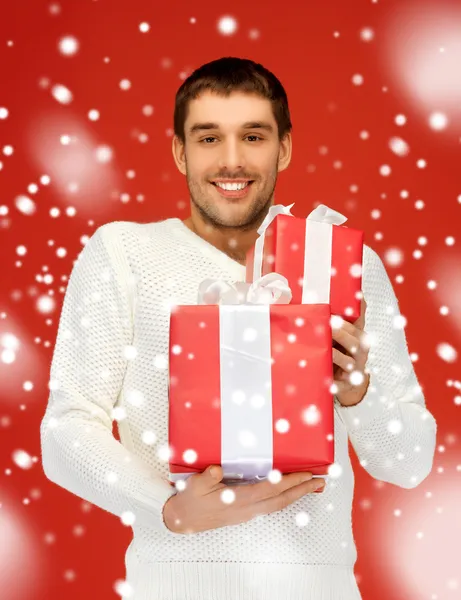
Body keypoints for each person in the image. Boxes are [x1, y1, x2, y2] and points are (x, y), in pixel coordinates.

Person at [40, 56, 437, 600]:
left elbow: (410, 461)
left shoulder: (343, 264)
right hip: (172, 587)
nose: (231, 161)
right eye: (208, 139)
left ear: (285, 147)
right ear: (180, 150)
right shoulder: (124, 253)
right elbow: (65, 432)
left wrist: (357, 392)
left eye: (253, 136)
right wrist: (168, 507)